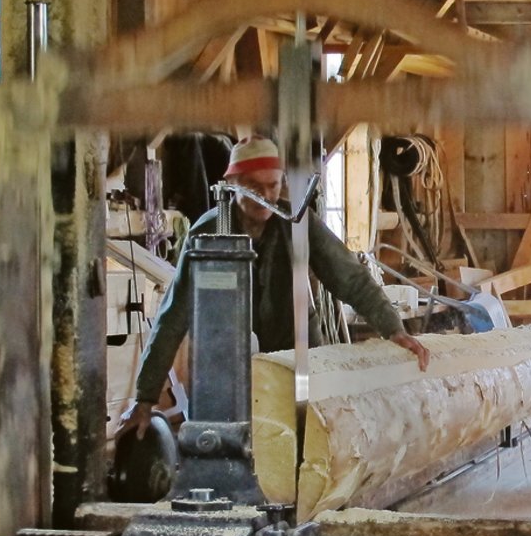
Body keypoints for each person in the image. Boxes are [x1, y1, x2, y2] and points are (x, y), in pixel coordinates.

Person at [119, 136, 428, 438]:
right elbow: (174, 314)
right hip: (230, 366)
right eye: (255, 187)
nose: (267, 195)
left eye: (274, 185)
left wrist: (393, 328)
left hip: (297, 354)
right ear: (233, 184)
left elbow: (351, 278)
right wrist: (145, 398)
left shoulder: (298, 223)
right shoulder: (209, 232)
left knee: (306, 441)